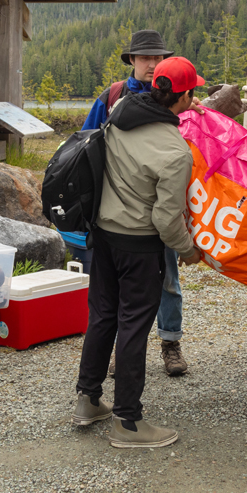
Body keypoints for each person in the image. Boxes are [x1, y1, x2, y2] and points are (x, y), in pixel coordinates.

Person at [71, 57, 204, 448]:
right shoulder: (175, 150)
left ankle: (89, 400)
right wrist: (189, 250)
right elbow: (166, 220)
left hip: (104, 238)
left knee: (103, 318)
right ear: (186, 97)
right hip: (139, 247)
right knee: (133, 327)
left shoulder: (118, 116)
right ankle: (128, 422)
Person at [82, 29, 191, 377]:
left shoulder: (179, 99)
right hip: (120, 216)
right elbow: (85, 144)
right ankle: (125, 355)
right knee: (118, 297)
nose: (152, 64)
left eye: (158, 58)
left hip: (161, 207)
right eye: (145, 58)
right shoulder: (113, 96)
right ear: (131, 60)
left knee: (169, 279)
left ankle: (170, 342)